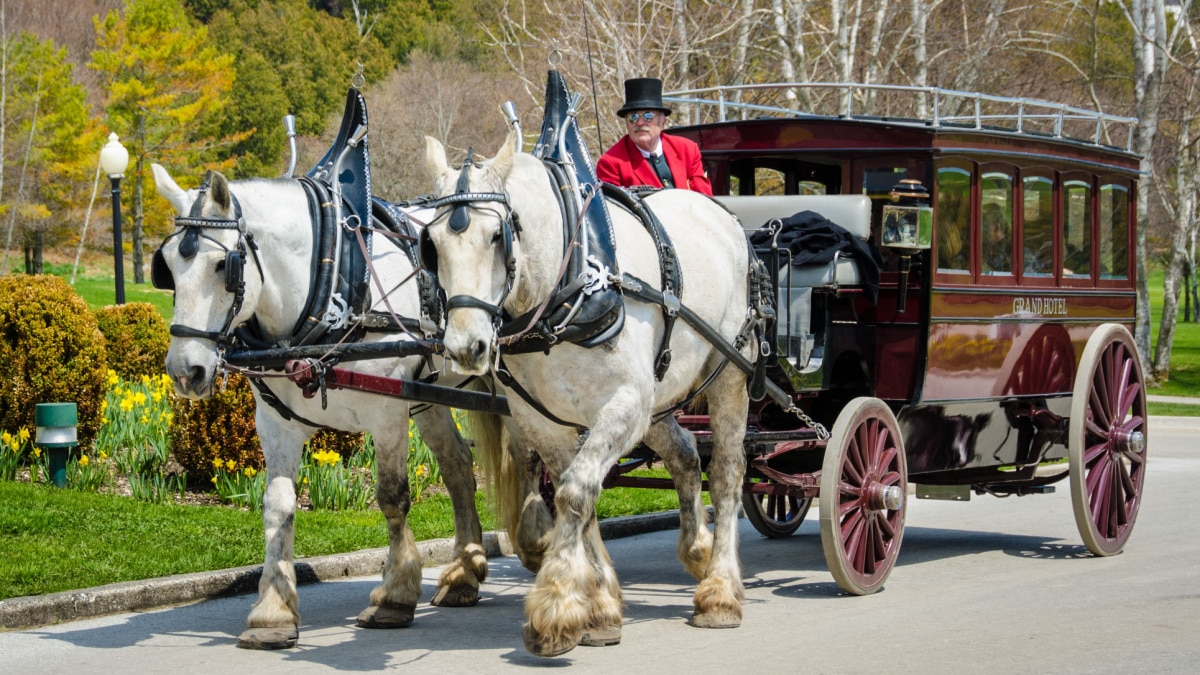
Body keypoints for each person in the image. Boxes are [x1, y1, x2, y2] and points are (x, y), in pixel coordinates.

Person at [596, 77, 713, 195]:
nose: (640, 123)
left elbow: (704, 198)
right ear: (627, 123)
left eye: (648, 116)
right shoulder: (611, 163)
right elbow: (614, 209)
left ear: (662, 122)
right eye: (633, 117)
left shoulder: (687, 150)